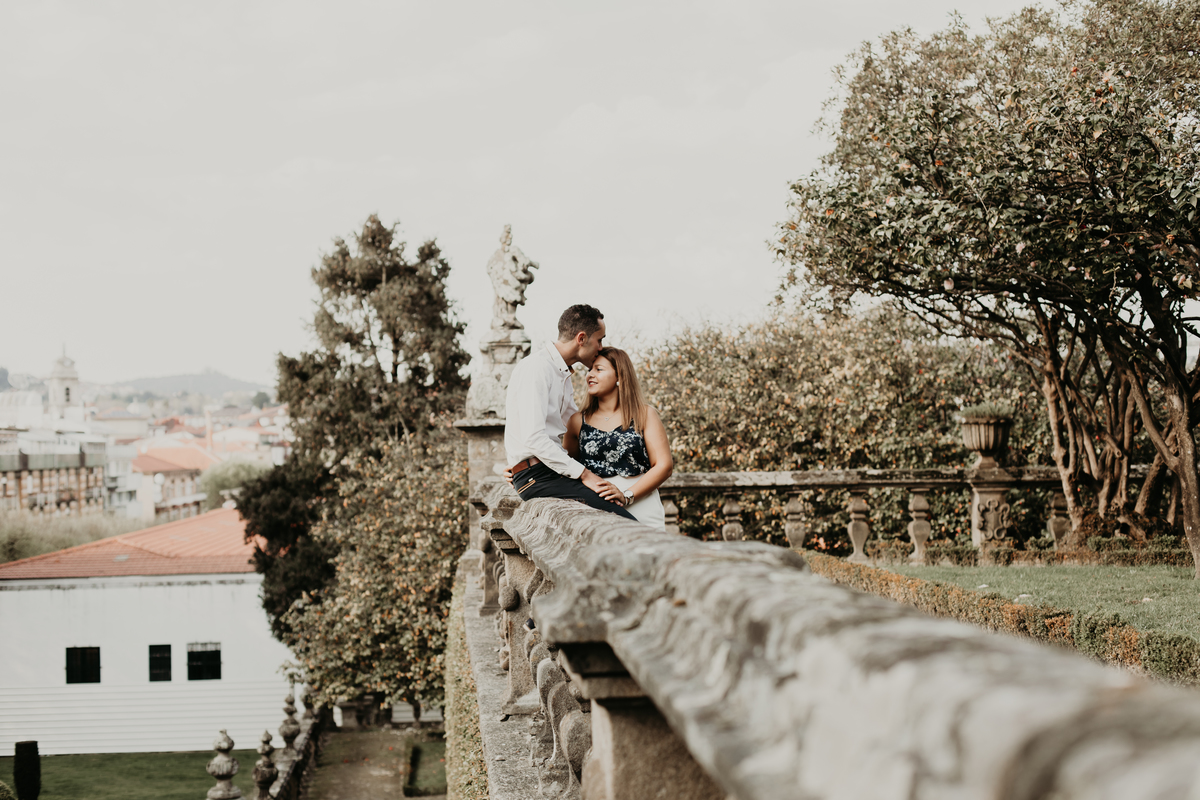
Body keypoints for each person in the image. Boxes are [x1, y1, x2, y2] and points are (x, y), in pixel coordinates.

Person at [505, 304, 636, 520]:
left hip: (547, 471)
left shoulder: (562, 375)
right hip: (538, 475)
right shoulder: (537, 369)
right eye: (599, 340)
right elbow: (534, 438)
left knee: (618, 515)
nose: (601, 348)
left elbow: (580, 428)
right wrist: (585, 475)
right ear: (581, 338)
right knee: (625, 523)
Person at [564, 347, 672, 529]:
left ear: (619, 377)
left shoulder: (644, 414)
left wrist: (627, 495)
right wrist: (520, 468)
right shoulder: (576, 421)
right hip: (594, 510)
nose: (590, 375)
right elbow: (564, 466)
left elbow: (664, 466)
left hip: (642, 506)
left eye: (598, 369)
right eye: (589, 370)